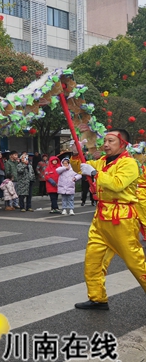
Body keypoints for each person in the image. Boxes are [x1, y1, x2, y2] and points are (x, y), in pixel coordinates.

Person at [74, 129, 146, 310]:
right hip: (101, 219)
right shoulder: (103, 161)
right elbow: (81, 166)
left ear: (122, 143)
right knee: (93, 262)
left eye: (111, 141)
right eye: (105, 141)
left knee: (136, 263)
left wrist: (95, 174)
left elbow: (117, 184)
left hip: (121, 219)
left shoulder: (130, 163)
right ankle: (97, 298)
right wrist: (77, 154)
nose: (105, 144)